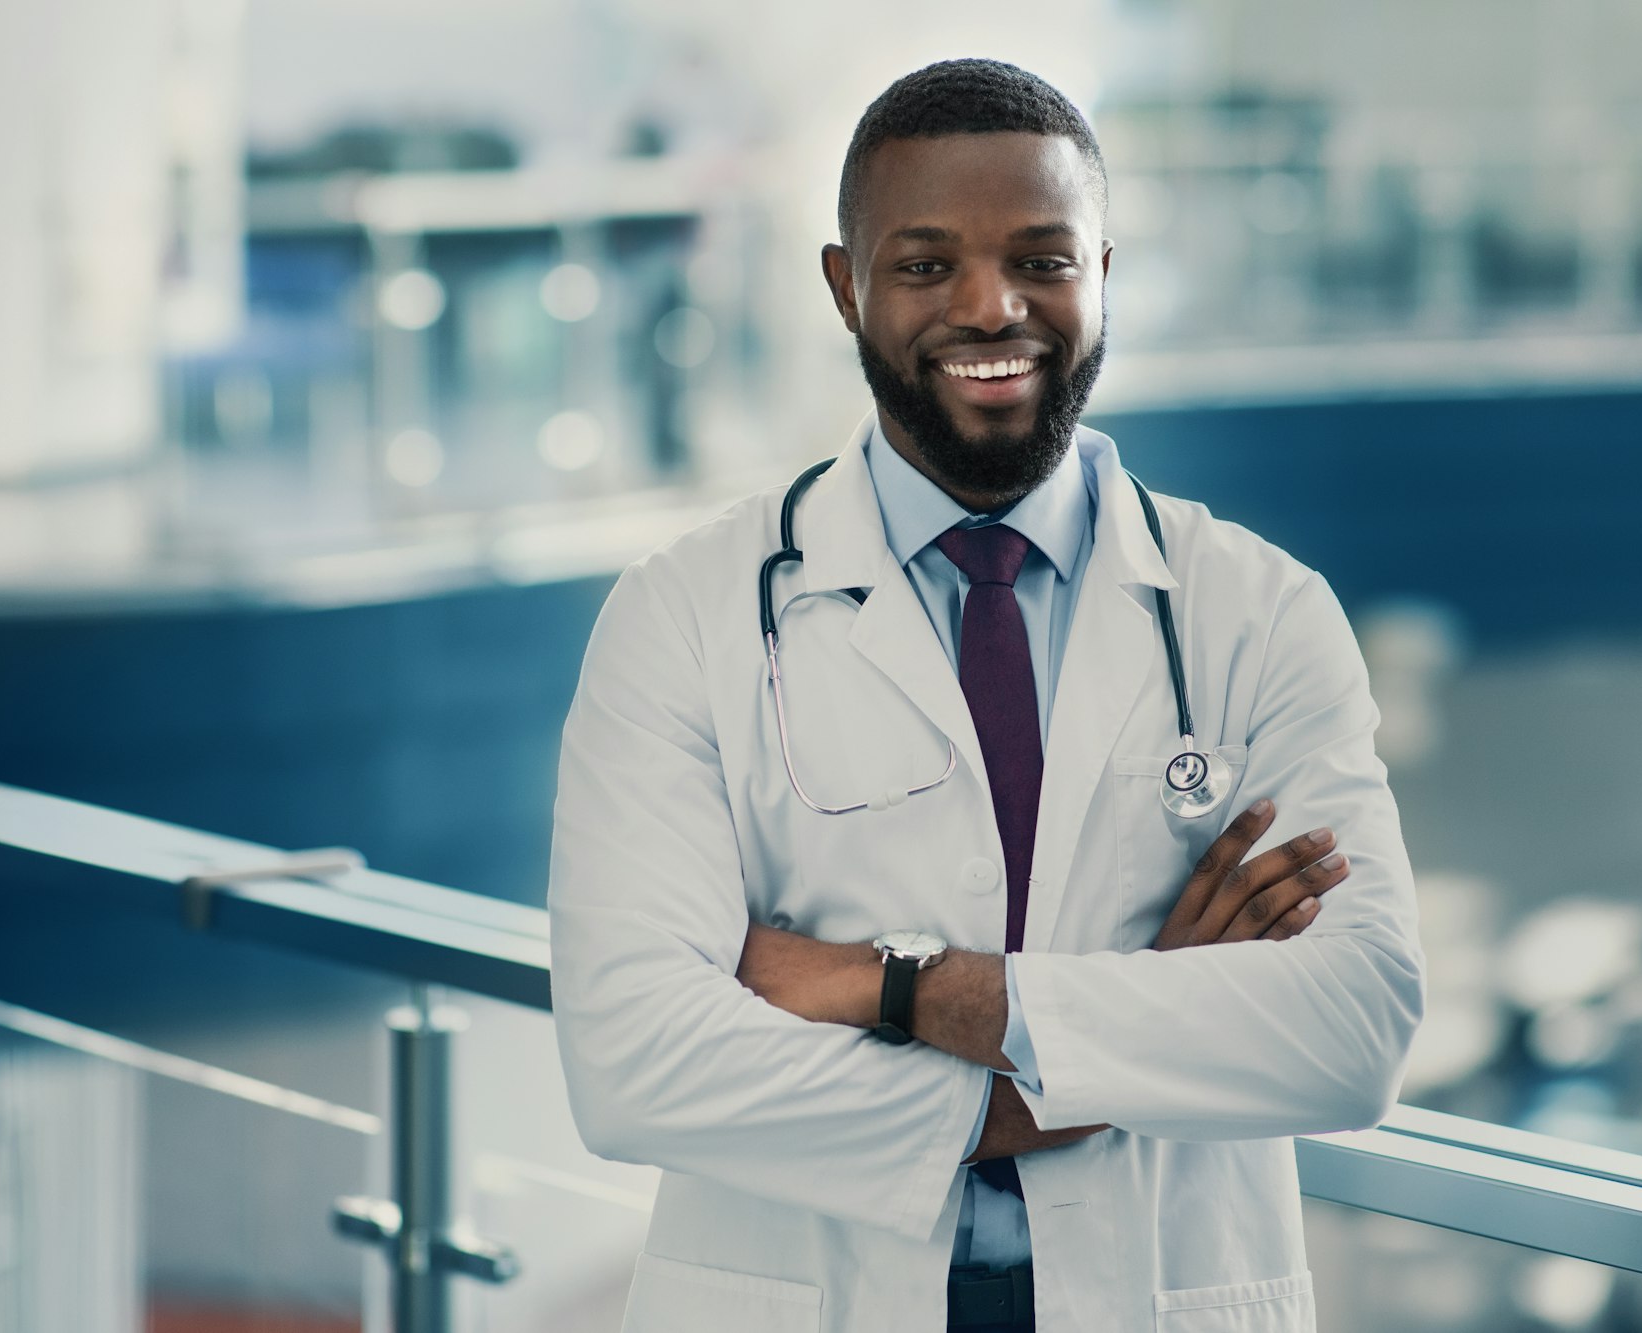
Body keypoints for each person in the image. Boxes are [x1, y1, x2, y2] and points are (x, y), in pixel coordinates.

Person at [549, 58, 1424, 1333]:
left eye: (1042, 258)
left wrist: (894, 987)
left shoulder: (1258, 612)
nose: (990, 305)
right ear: (845, 288)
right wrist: (1101, 1053)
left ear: (1103, 275)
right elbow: (633, 1059)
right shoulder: (682, 613)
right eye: (922, 265)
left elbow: (1351, 1028)